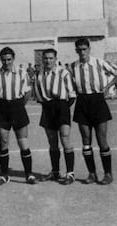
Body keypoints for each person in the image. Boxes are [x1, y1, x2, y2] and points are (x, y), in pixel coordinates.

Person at [70, 38, 117, 184]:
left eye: (84, 49)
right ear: (76, 50)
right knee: (86, 142)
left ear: (89, 49)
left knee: (102, 140)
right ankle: (92, 174)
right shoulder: (73, 66)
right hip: (82, 102)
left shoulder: (99, 62)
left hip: (98, 101)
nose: (82, 52)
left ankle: (108, 174)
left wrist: (107, 88)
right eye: (79, 49)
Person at [0, 47, 36, 185]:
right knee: (3, 142)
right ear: (0, 60)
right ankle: (4, 175)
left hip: (17, 107)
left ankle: (29, 174)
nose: (6, 62)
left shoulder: (21, 73)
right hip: (2, 108)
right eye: (3, 60)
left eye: (9, 59)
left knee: (23, 142)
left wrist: (19, 106)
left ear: (13, 59)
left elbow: (27, 93)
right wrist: (0, 107)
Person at [34, 49, 76, 185]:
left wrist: (62, 108)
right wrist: (48, 105)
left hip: (62, 106)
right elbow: (38, 95)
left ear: (56, 58)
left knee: (65, 138)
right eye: (46, 58)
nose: (48, 61)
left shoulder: (63, 73)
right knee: (52, 142)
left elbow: (72, 95)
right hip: (47, 107)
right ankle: (55, 172)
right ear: (42, 59)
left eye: (51, 58)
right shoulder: (39, 75)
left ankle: (70, 173)